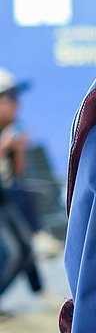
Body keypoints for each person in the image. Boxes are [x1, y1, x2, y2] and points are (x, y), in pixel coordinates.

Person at [0, 69, 43, 297]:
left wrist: (18, 151)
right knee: (12, 251)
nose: (16, 105)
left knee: (25, 247)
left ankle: (39, 291)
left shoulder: (12, 129)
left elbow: (17, 174)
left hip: (4, 197)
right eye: (10, 99)